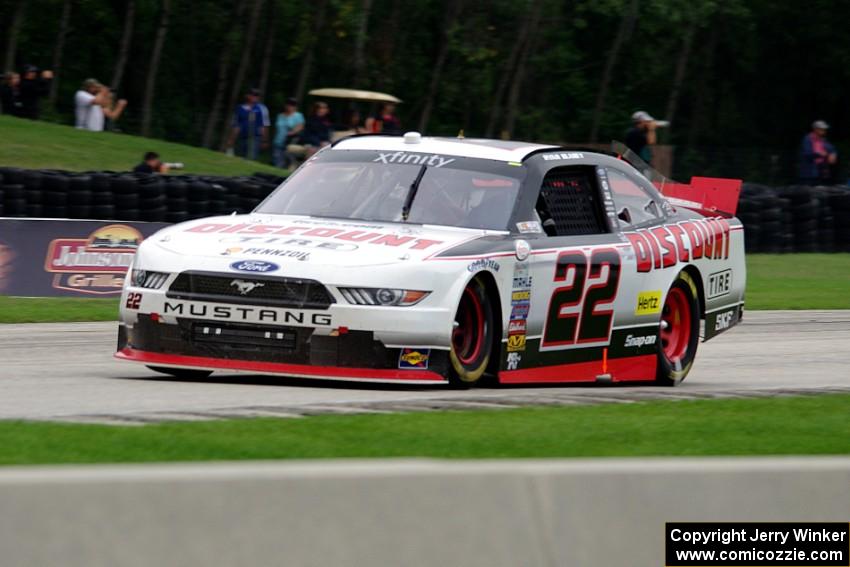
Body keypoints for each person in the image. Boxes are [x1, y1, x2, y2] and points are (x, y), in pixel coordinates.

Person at [226, 87, 270, 160]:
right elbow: (236, 126)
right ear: (247, 95)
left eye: (257, 95)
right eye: (253, 94)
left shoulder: (262, 108)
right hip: (242, 137)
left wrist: (265, 140)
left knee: (250, 158)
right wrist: (231, 139)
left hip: (255, 138)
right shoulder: (240, 108)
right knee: (240, 158)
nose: (255, 96)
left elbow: (265, 125)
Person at [799, 120, 837, 185]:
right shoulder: (807, 139)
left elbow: (831, 149)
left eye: (824, 129)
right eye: (822, 129)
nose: (824, 131)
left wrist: (833, 154)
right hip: (809, 173)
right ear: (815, 129)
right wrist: (821, 154)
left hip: (821, 172)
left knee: (822, 190)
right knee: (809, 191)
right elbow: (807, 154)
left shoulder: (823, 140)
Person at [272, 97, 305, 168]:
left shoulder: (298, 116)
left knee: (286, 162)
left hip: (289, 143)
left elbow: (300, 127)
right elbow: (277, 128)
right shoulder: (280, 115)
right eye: (289, 104)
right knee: (276, 162)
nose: (291, 107)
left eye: (293, 105)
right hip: (278, 141)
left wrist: (292, 132)